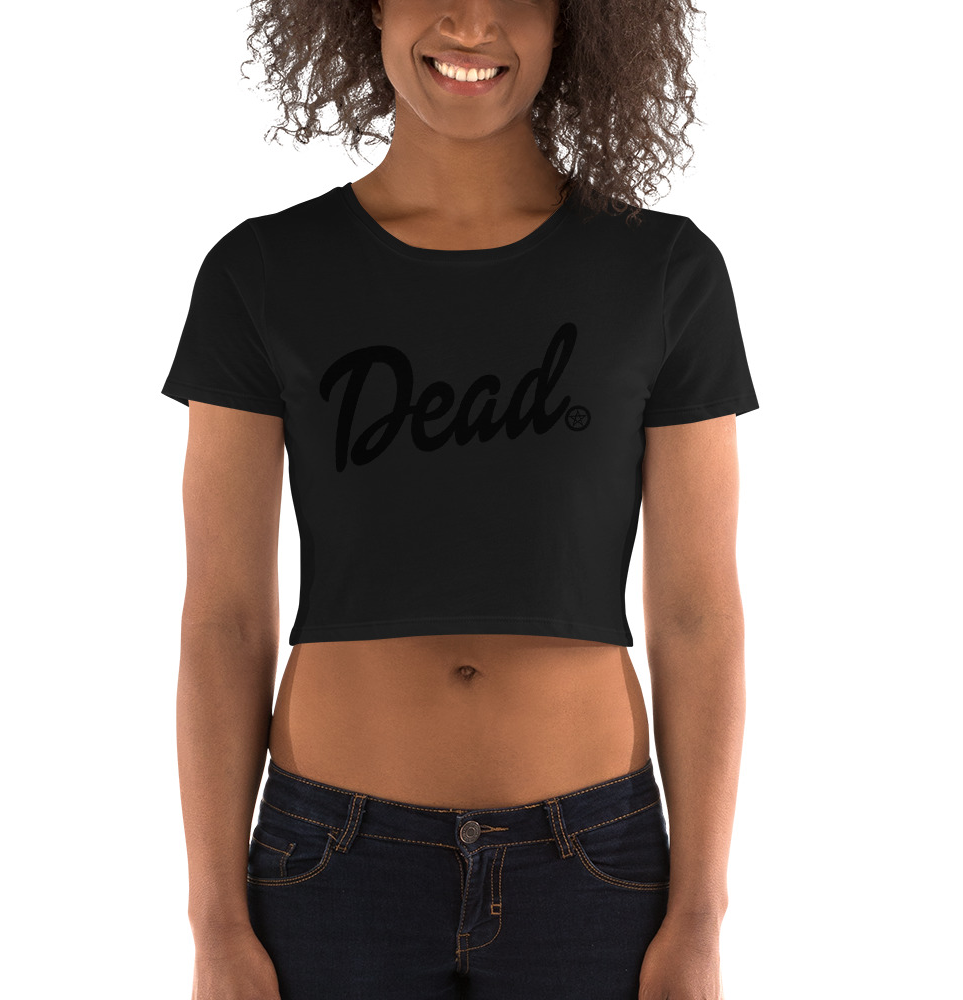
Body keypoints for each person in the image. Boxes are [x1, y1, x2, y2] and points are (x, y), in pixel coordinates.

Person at [161, 1, 758, 997]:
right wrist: (215, 922)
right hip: (329, 868)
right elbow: (223, 619)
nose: (472, 22)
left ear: (575, 18)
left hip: (594, 868)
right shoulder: (261, 272)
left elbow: (698, 615)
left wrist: (698, 917)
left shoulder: (664, 273)